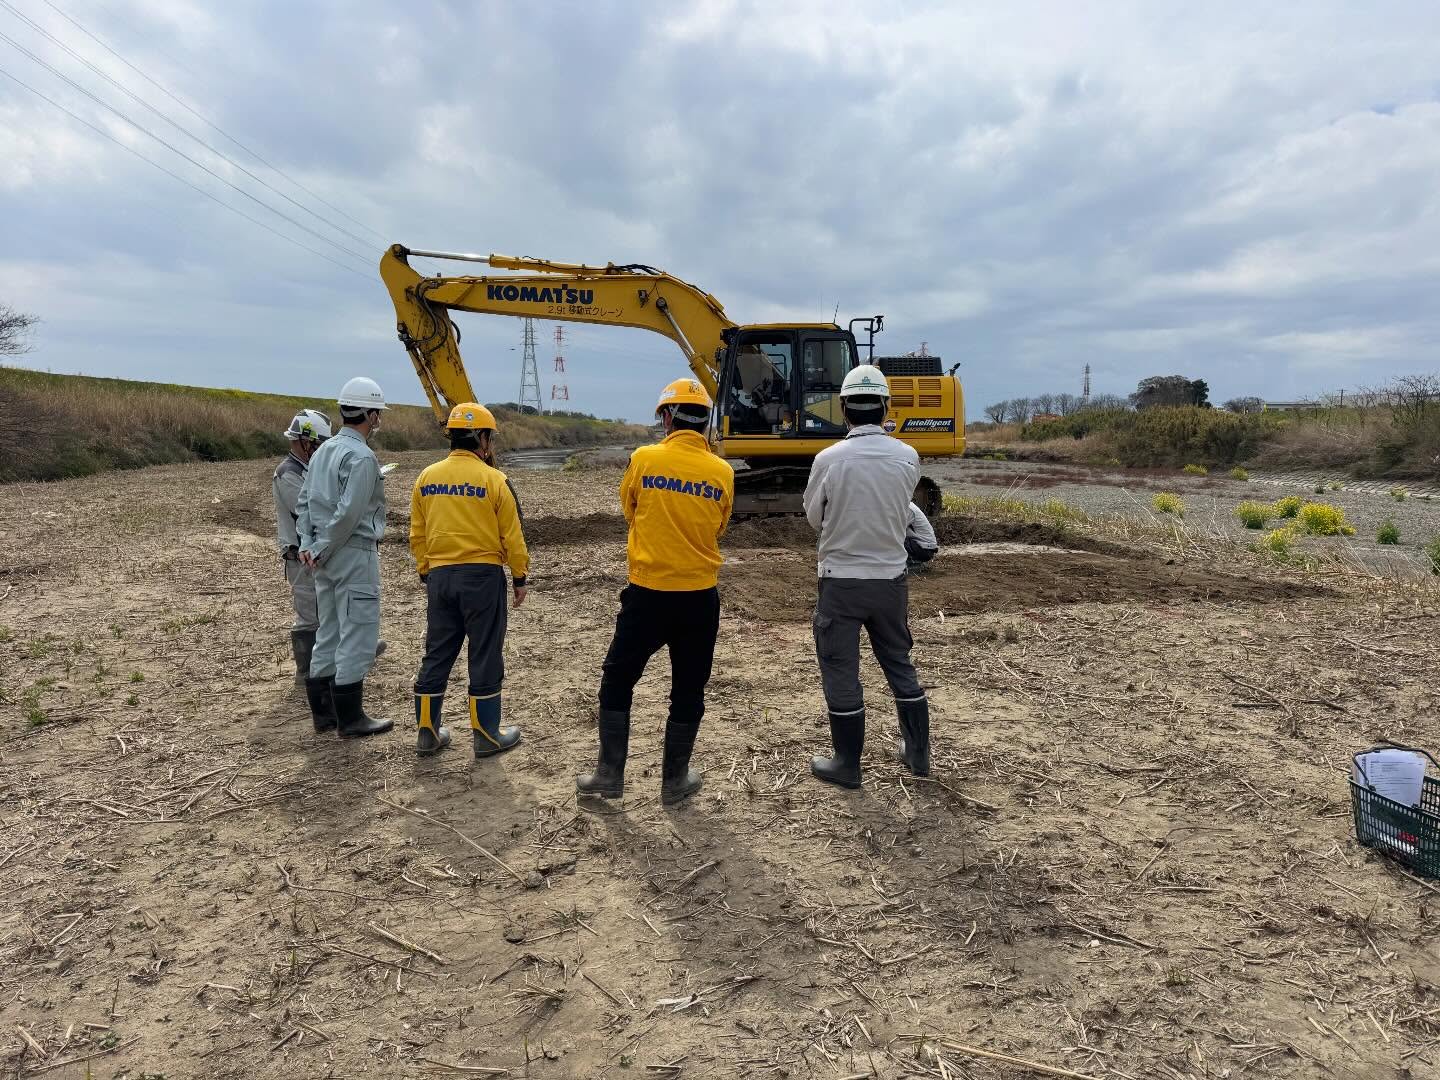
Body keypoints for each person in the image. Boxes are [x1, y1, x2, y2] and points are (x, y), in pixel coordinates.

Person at [576, 378, 734, 805]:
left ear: (667, 418)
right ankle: (674, 781)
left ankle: (609, 774)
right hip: (700, 598)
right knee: (689, 688)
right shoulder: (722, 471)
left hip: (648, 594)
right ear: (705, 422)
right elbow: (719, 525)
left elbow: (629, 509)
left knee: (618, 679)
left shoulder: (644, 459)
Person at [801, 364, 931, 788]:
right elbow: (903, 510)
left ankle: (847, 764)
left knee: (840, 668)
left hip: (841, 582)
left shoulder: (828, 460)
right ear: (886, 407)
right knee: (898, 662)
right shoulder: (907, 457)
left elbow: (814, 518)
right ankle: (917, 754)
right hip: (891, 581)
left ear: (843, 409)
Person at [410, 403, 530, 758]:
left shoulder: (426, 478)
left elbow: (417, 533)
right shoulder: (495, 480)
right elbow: (513, 536)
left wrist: (426, 570)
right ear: (483, 438)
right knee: (485, 653)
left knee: (437, 652)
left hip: (440, 577)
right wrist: (519, 576)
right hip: (482, 577)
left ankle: (427, 734)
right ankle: (487, 736)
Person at [295, 376, 393, 739]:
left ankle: (324, 716)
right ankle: (351, 719)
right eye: (378, 413)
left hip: (322, 555)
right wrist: (321, 546)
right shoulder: (362, 457)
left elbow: (304, 502)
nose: (379, 419)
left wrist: (309, 544)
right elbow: (350, 514)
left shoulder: (323, 451)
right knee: (358, 633)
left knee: (330, 631)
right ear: (370, 414)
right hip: (351, 551)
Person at [273, 409, 331, 684]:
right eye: (319, 444)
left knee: (326, 608)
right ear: (305, 441)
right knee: (309, 613)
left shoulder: (307, 469)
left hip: (313, 552)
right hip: (299, 555)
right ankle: (305, 670)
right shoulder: (288, 474)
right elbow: (307, 511)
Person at [904, 501, 938, 571]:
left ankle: (913, 565)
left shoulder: (907, 508)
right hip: (922, 547)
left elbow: (896, 530)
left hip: (925, 549)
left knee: (894, 539)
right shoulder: (905, 505)